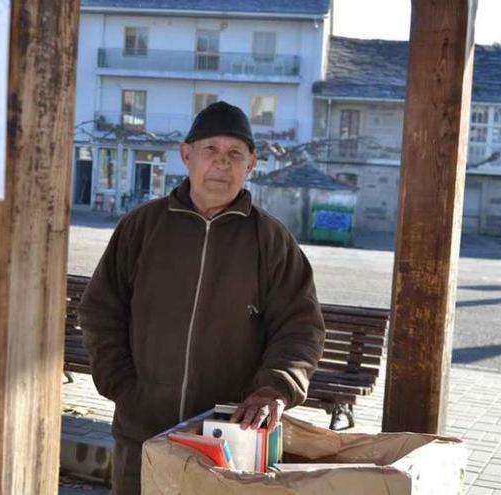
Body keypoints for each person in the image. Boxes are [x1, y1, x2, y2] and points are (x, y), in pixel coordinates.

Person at [78, 101, 325, 494]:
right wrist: (123, 385)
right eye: (210, 150)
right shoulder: (141, 227)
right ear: (186, 155)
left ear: (251, 164)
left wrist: (275, 387)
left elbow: (300, 327)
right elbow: (100, 310)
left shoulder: (271, 241)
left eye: (234, 154)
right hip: (142, 434)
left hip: (228, 444)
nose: (222, 164)